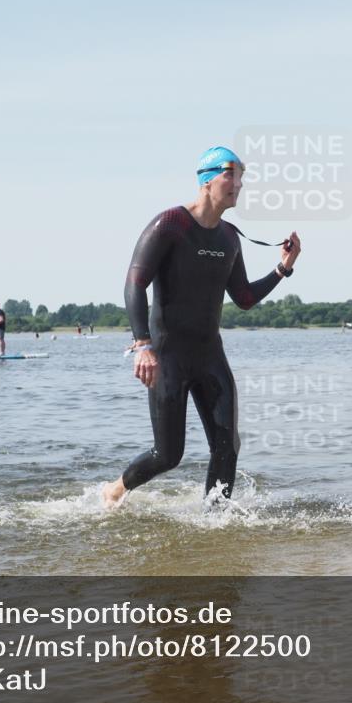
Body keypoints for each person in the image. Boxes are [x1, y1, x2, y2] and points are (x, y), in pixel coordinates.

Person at [101, 146, 302, 509]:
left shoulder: (229, 238)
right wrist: (142, 344)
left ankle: (215, 520)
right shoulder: (170, 225)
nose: (239, 183)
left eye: (242, 176)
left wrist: (282, 268)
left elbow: (242, 297)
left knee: (228, 445)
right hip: (167, 355)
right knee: (168, 455)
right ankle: (115, 489)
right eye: (232, 173)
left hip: (210, 355)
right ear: (206, 178)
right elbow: (134, 284)